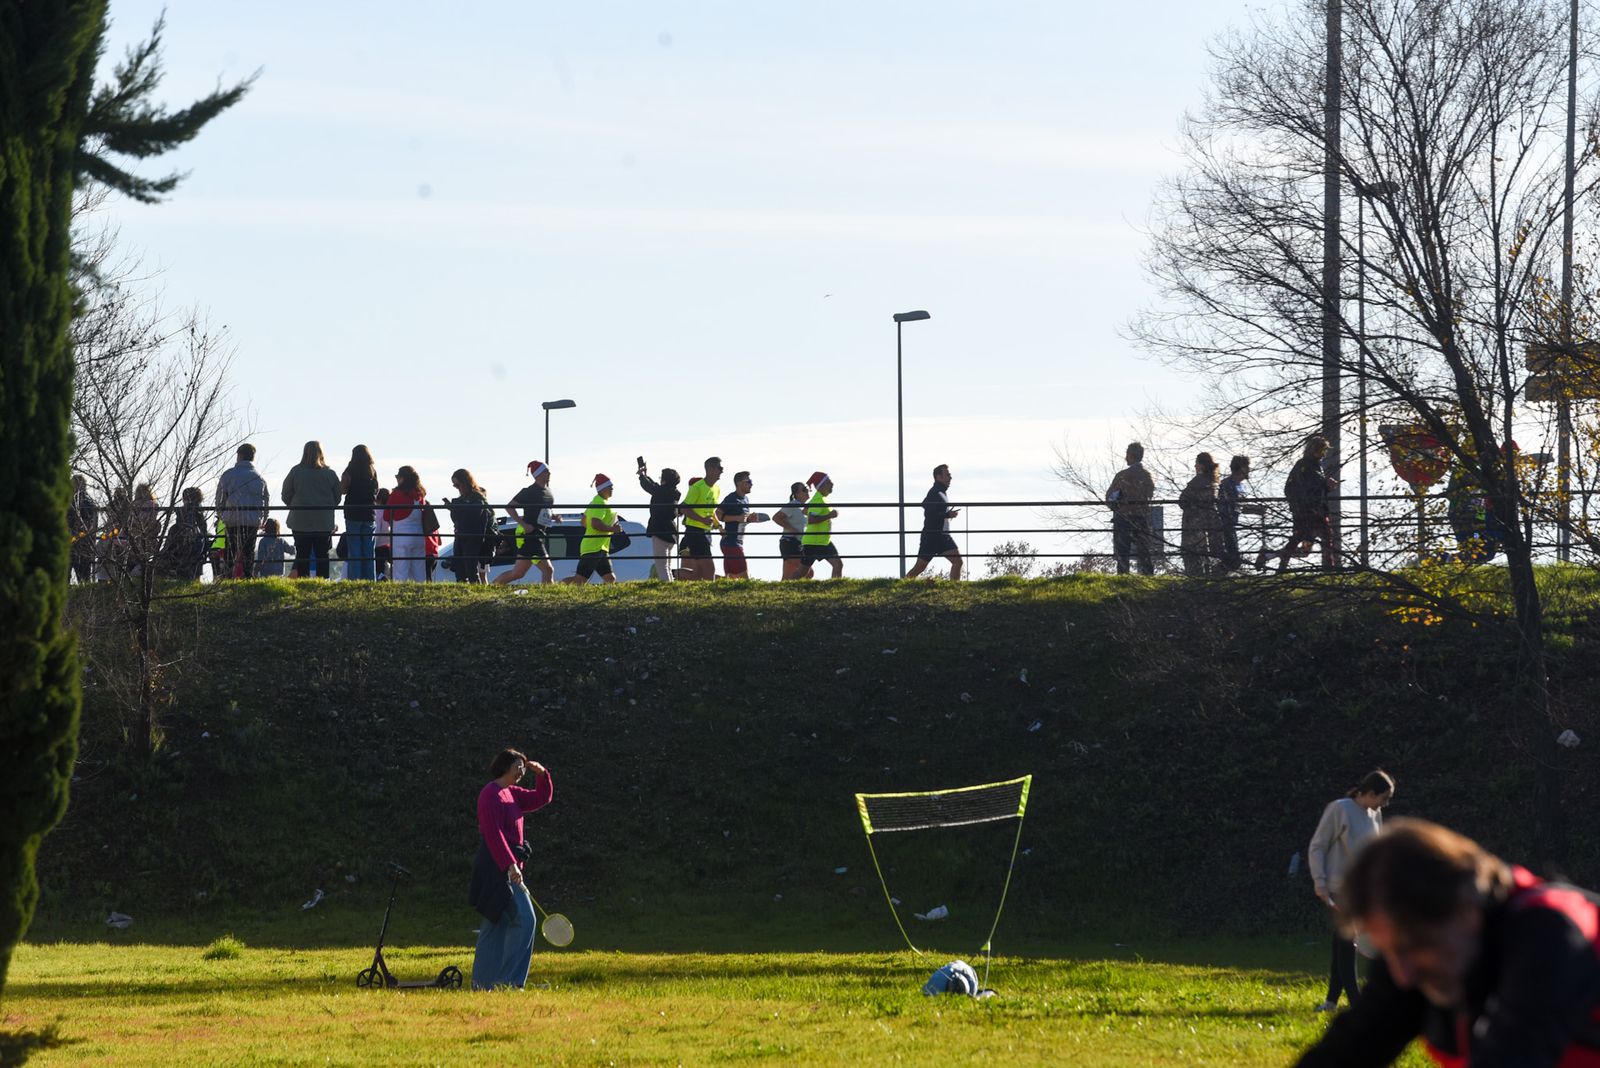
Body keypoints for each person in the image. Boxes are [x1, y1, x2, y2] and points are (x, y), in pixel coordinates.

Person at [1294, 818, 1600, 1067]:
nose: (1403, 975)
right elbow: (1349, 1049)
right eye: (1387, 952)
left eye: (1413, 947)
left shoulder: (1552, 934)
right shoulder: (1421, 949)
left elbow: (1514, 1054)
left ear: (1466, 911)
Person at [1308, 769, 1396, 1013]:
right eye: (1383, 797)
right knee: (1347, 941)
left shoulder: (1374, 814)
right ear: (1368, 792)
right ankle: (1357, 1003)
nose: (1384, 803)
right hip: (1338, 888)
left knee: (1342, 943)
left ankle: (1331, 1002)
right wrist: (1320, 881)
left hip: (1360, 890)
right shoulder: (1340, 809)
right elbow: (1318, 846)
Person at [468, 748, 554, 991]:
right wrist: (511, 865)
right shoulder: (490, 794)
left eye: (524, 767)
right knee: (526, 919)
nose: (522, 771)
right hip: (495, 868)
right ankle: (510, 983)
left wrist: (542, 773)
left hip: (507, 866)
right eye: (518, 765)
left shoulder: (511, 794)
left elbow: (541, 798)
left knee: (496, 923)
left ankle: (482, 985)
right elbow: (493, 834)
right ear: (505, 766)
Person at [1268, 434, 1338, 572]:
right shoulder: (1307, 465)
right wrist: (1325, 484)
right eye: (1323, 450)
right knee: (1318, 538)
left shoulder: (1311, 465)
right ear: (1316, 450)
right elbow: (1310, 485)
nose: (1324, 453)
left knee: (1311, 538)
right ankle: (1330, 568)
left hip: (1311, 508)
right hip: (1309, 509)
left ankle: (1277, 561)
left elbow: (1310, 486)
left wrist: (1325, 486)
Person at [282, 440, 342, 579]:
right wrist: (327, 507)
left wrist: (295, 505)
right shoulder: (330, 474)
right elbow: (337, 497)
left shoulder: (296, 471)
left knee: (302, 553)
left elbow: (285, 494)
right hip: (323, 521)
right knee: (323, 554)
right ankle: (323, 581)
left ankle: (303, 580)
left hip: (300, 520)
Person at [495, 461, 555, 586]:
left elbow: (545, 511)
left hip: (539, 535)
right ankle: (549, 597)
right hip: (531, 536)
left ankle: (492, 586)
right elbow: (510, 507)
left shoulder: (548, 491)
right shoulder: (529, 491)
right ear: (537, 475)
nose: (549, 474)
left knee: (518, 573)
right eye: (546, 472)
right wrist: (524, 524)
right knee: (548, 570)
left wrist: (554, 516)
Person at [216, 443, 270, 579]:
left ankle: (228, 577)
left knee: (230, 550)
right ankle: (247, 577)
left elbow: (219, 498)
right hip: (252, 520)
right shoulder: (259, 478)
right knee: (248, 551)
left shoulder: (228, 475)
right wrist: (263, 518)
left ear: (239, 455)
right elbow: (266, 500)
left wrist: (221, 515)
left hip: (232, 519)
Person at [1106, 442, 1156, 576]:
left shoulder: (1122, 476)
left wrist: (1116, 505)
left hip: (1124, 516)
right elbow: (1150, 495)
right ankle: (1148, 576)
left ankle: (1123, 578)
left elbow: (1109, 498)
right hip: (1142, 516)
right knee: (1144, 551)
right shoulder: (1148, 476)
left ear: (1130, 455)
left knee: (1123, 551)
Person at [906, 464, 962, 580]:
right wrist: (947, 514)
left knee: (958, 562)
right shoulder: (934, 492)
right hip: (931, 537)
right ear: (938, 477)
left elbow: (935, 512)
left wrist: (947, 515)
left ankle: (954, 590)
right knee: (920, 567)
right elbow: (927, 510)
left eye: (949, 475)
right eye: (947, 475)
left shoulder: (942, 492)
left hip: (943, 536)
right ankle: (902, 584)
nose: (950, 478)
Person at [563, 474, 622, 585]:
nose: (612, 489)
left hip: (600, 548)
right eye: (610, 486)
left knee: (610, 579)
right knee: (579, 581)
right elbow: (595, 523)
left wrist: (598, 529)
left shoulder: (594, 502)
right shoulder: (600, 503)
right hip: (593, 549)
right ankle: (557, 588)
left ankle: (607, 600)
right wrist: (612, 529)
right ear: (603, 488)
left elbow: (584, 522)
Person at [445, 468, 495, 584]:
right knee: (459, 568)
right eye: (454, 485)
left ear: (465, 482)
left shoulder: (478, 497)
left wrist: (459, 508)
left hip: (473, 535)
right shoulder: (462, 499)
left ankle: (474, 590)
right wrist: (453, 508)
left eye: (458, 484)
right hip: (461, 533)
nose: (457, 488)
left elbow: (478, 514)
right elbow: (456, 519)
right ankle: (464, 589)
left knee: (471, 568)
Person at [1178, 452, 1224, 576]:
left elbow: (1182, 500)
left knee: (1193, 555)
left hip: (1194, 523)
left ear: (1202, 465)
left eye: (1197, 463)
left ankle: (1195, 578)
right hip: (1210, 521)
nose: (1195, 466)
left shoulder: (1197, 482)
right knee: (1209, 554)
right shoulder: (1215, 482)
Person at [717, 471, 768, 579]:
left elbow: (741, 519)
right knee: (745, 579)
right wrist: (737, 518)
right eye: (748, 481)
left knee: (731, 578)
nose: (751, 484)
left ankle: (713, 581)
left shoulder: (746, 499)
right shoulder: (732, 498)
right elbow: (718, 514)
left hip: (737, 542)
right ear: (739, 483)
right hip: (731, 542)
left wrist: (749, 519)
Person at [385, 465, 432, 583]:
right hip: (418, 537)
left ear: (402, 478)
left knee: (400, 573)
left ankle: (400, 597)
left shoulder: (396, 495)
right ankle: (421, 595)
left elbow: (386, 516)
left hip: (401, 538)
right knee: (419, 573)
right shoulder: (420, 495)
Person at [679, 457, 723, 581]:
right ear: (710, 469)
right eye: (720, 468)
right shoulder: (697, 487)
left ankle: (678, 580)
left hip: (706, 531)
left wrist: (718, 525)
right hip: (695, 531)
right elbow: (684, 508)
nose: (722, 471)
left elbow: (711, 511)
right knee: (709, 569)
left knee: (698, 572)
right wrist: (702, 520)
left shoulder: (717, 488)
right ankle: (710, 594)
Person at [1216, 454, 1262, 572]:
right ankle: (1220, 572)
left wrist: (1256, 510)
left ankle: (1222, 573)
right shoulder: (1227, 485)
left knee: (1233, 556)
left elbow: (1240, 506)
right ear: (1241, 468)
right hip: (1226, 524)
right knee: (1233, 556)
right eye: (1247, 466)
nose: (1249, 470)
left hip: (1232, 524)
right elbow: (1226, 506)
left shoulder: (1238, 486)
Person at [340, 445, 380, 581]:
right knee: (369, 549)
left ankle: (355, 579)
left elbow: (343, 489)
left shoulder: (350, 470)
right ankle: (370, 579)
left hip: (353, 512)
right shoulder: (372, 471)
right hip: (369, 513)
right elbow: (376, 490)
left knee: (354, 548)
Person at [637, 461, 681, 581]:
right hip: (671, 532)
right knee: (667, 564)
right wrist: (646, 475)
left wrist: (642, 476)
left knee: (661, 565)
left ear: (665, 480)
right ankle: (670, 584)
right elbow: (654, 486)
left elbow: (650, 487)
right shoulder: (672, 493)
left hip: (660, 530)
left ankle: (667, 587)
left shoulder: (661, 492)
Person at [801, 471, 844, 579]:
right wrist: (829, 515)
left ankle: (835, 588)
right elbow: (811, 519)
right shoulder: (818, 499)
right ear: (822, 485)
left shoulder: (819, 498)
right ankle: (835, 588)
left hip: (821, 540)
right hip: (815, 541)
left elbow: (805, 511)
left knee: (837, 564)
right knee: (837, 564)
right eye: (829, 482)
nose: (832, 484)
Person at [162, 487, 209, 579]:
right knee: (199, 554)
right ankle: (195, 580)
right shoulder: (198, 510)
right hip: (195, 540)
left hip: (179, 541)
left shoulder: (180, 510)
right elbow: (203, 528)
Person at [773, 482, 812, 580]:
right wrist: (792, 530)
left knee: (787, 577)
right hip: (789, 542)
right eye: (804, 489)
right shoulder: (792, 505)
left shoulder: (804, 508)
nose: (807, 491)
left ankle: (780, 593)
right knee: (808, 572)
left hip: (798, 544)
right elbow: (776, 517)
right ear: (797, 494)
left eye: (807, 489)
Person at [69, 475, 100, 584]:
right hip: (82, 544)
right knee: (83, 579)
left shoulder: (83, 502)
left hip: (80, 544)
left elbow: (90, 523)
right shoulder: (87, 501)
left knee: (82, 578)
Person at [373, 488, 393, 580]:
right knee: (385, 566)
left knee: (378, 568)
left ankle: (381, 578)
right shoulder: (389, 511)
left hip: (378, 545)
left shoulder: (378, 511)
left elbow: (377, 529)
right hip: (387, 545)